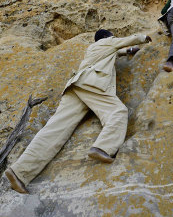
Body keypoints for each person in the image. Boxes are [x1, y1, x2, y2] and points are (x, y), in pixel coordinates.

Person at [5, 29, 152, 194]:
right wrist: (144, 38)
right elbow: (126, 41)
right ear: (108, 37)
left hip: (76, 86)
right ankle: (103, 148)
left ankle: (19, 172)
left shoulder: (95, 49)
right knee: (117, 112)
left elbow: (118, 51)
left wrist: (129, 51)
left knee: (54, 131)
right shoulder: (107, 42)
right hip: (92, 84)